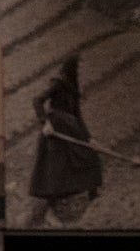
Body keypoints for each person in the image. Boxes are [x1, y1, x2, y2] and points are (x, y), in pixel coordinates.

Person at [27, 55, 102, 218]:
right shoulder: (58, 83)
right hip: (56, 130)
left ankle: (93, 196)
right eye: (77, 68)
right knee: (55, 168)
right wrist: (44, 122)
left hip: (72, 128)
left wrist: (89, 138)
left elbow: (78, 115)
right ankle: (50, 207)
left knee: (89, 154)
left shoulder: (74, 88)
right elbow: (37, 101)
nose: (78, 72)